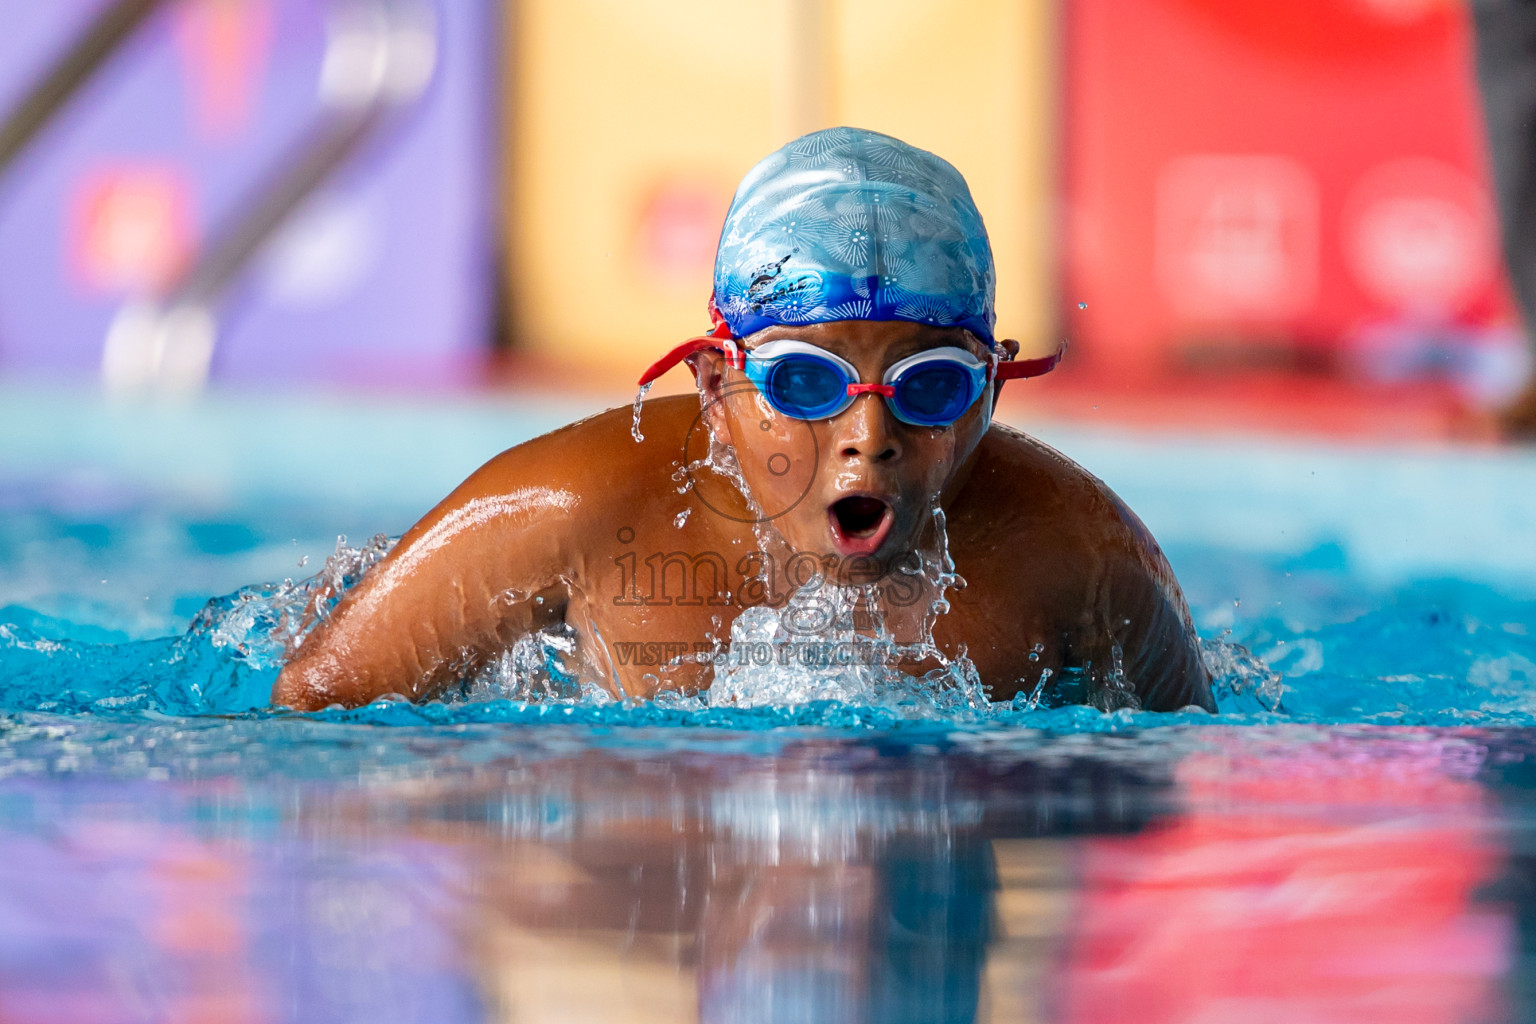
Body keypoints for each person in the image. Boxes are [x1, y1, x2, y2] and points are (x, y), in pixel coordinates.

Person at [272, 127, 1214, 712]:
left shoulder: (1080, 555)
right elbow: (314, 704)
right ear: (719, 391)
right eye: (805, 382)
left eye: (929, 387)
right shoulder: (570, 513)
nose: (867, 436)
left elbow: (1190, 774)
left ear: (991, 396)